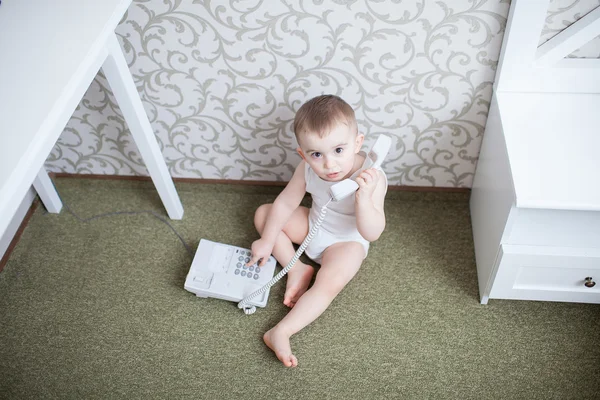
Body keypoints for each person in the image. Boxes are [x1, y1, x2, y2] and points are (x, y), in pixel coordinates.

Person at [246, 94, 388, 367]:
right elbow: (287, 202)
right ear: (303, 154)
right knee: (265, 214)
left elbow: (372, 232)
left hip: (346, 241)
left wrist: (363, 198)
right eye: (316, 154)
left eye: (338, 150)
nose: (329, 165)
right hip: (315, 224)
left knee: (330, 283)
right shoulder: (306, 169)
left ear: (358, 143)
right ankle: (296, 268)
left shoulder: (373, 178)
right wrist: (266, 240)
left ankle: (281, 331)